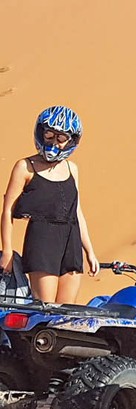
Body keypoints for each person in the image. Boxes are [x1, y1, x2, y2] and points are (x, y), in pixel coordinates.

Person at [1, 106, 99, 302]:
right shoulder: (25, 167)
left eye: (61, 138)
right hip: (42, 241)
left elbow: (77, 212)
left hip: (71, 243)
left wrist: (89, 251)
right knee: (46, 309)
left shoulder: (72, 169)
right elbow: (8, 210)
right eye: (49, 135)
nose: (54, 142)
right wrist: (7, 251)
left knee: (67, 311)